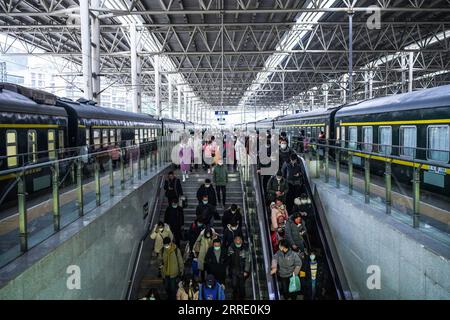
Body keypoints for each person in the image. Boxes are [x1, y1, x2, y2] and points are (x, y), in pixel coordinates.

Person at [228, 235, 251, 300]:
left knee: (241, 285)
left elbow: (248, 261)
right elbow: (228, 258)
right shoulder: (231, 247)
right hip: (233, 269)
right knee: (234, 284)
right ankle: (234, 295)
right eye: (236, 239)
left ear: (241, 240)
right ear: (234, 240)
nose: (238, 240)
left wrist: (246, 271)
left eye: (239, 239)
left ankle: (242, 297)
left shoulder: (245, 248)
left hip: (242, 270)